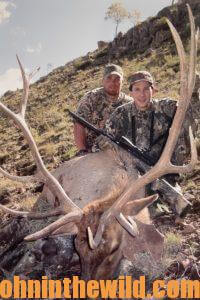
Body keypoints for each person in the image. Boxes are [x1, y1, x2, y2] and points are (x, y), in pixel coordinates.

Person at [99, 70, 196, 220]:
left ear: (153, 90)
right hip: (132, 171)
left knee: (187, 123)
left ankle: (171, 183)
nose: (142, 94)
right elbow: (102, 140)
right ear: (130, 92)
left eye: (146, 89)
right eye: (137, 89)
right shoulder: (121, 114)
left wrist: (194, 88)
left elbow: (190, 114)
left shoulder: (166, 107)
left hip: (164, 166)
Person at [74, 64, 132, 155]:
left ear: (122, 82)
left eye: (117, 79)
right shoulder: (90, 98)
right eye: (109, 78)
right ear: (102, 81)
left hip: (122, 152)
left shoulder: (129, 103)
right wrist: (83, 151)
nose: (113, 82)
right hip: (93, 152)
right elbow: (79, 125)